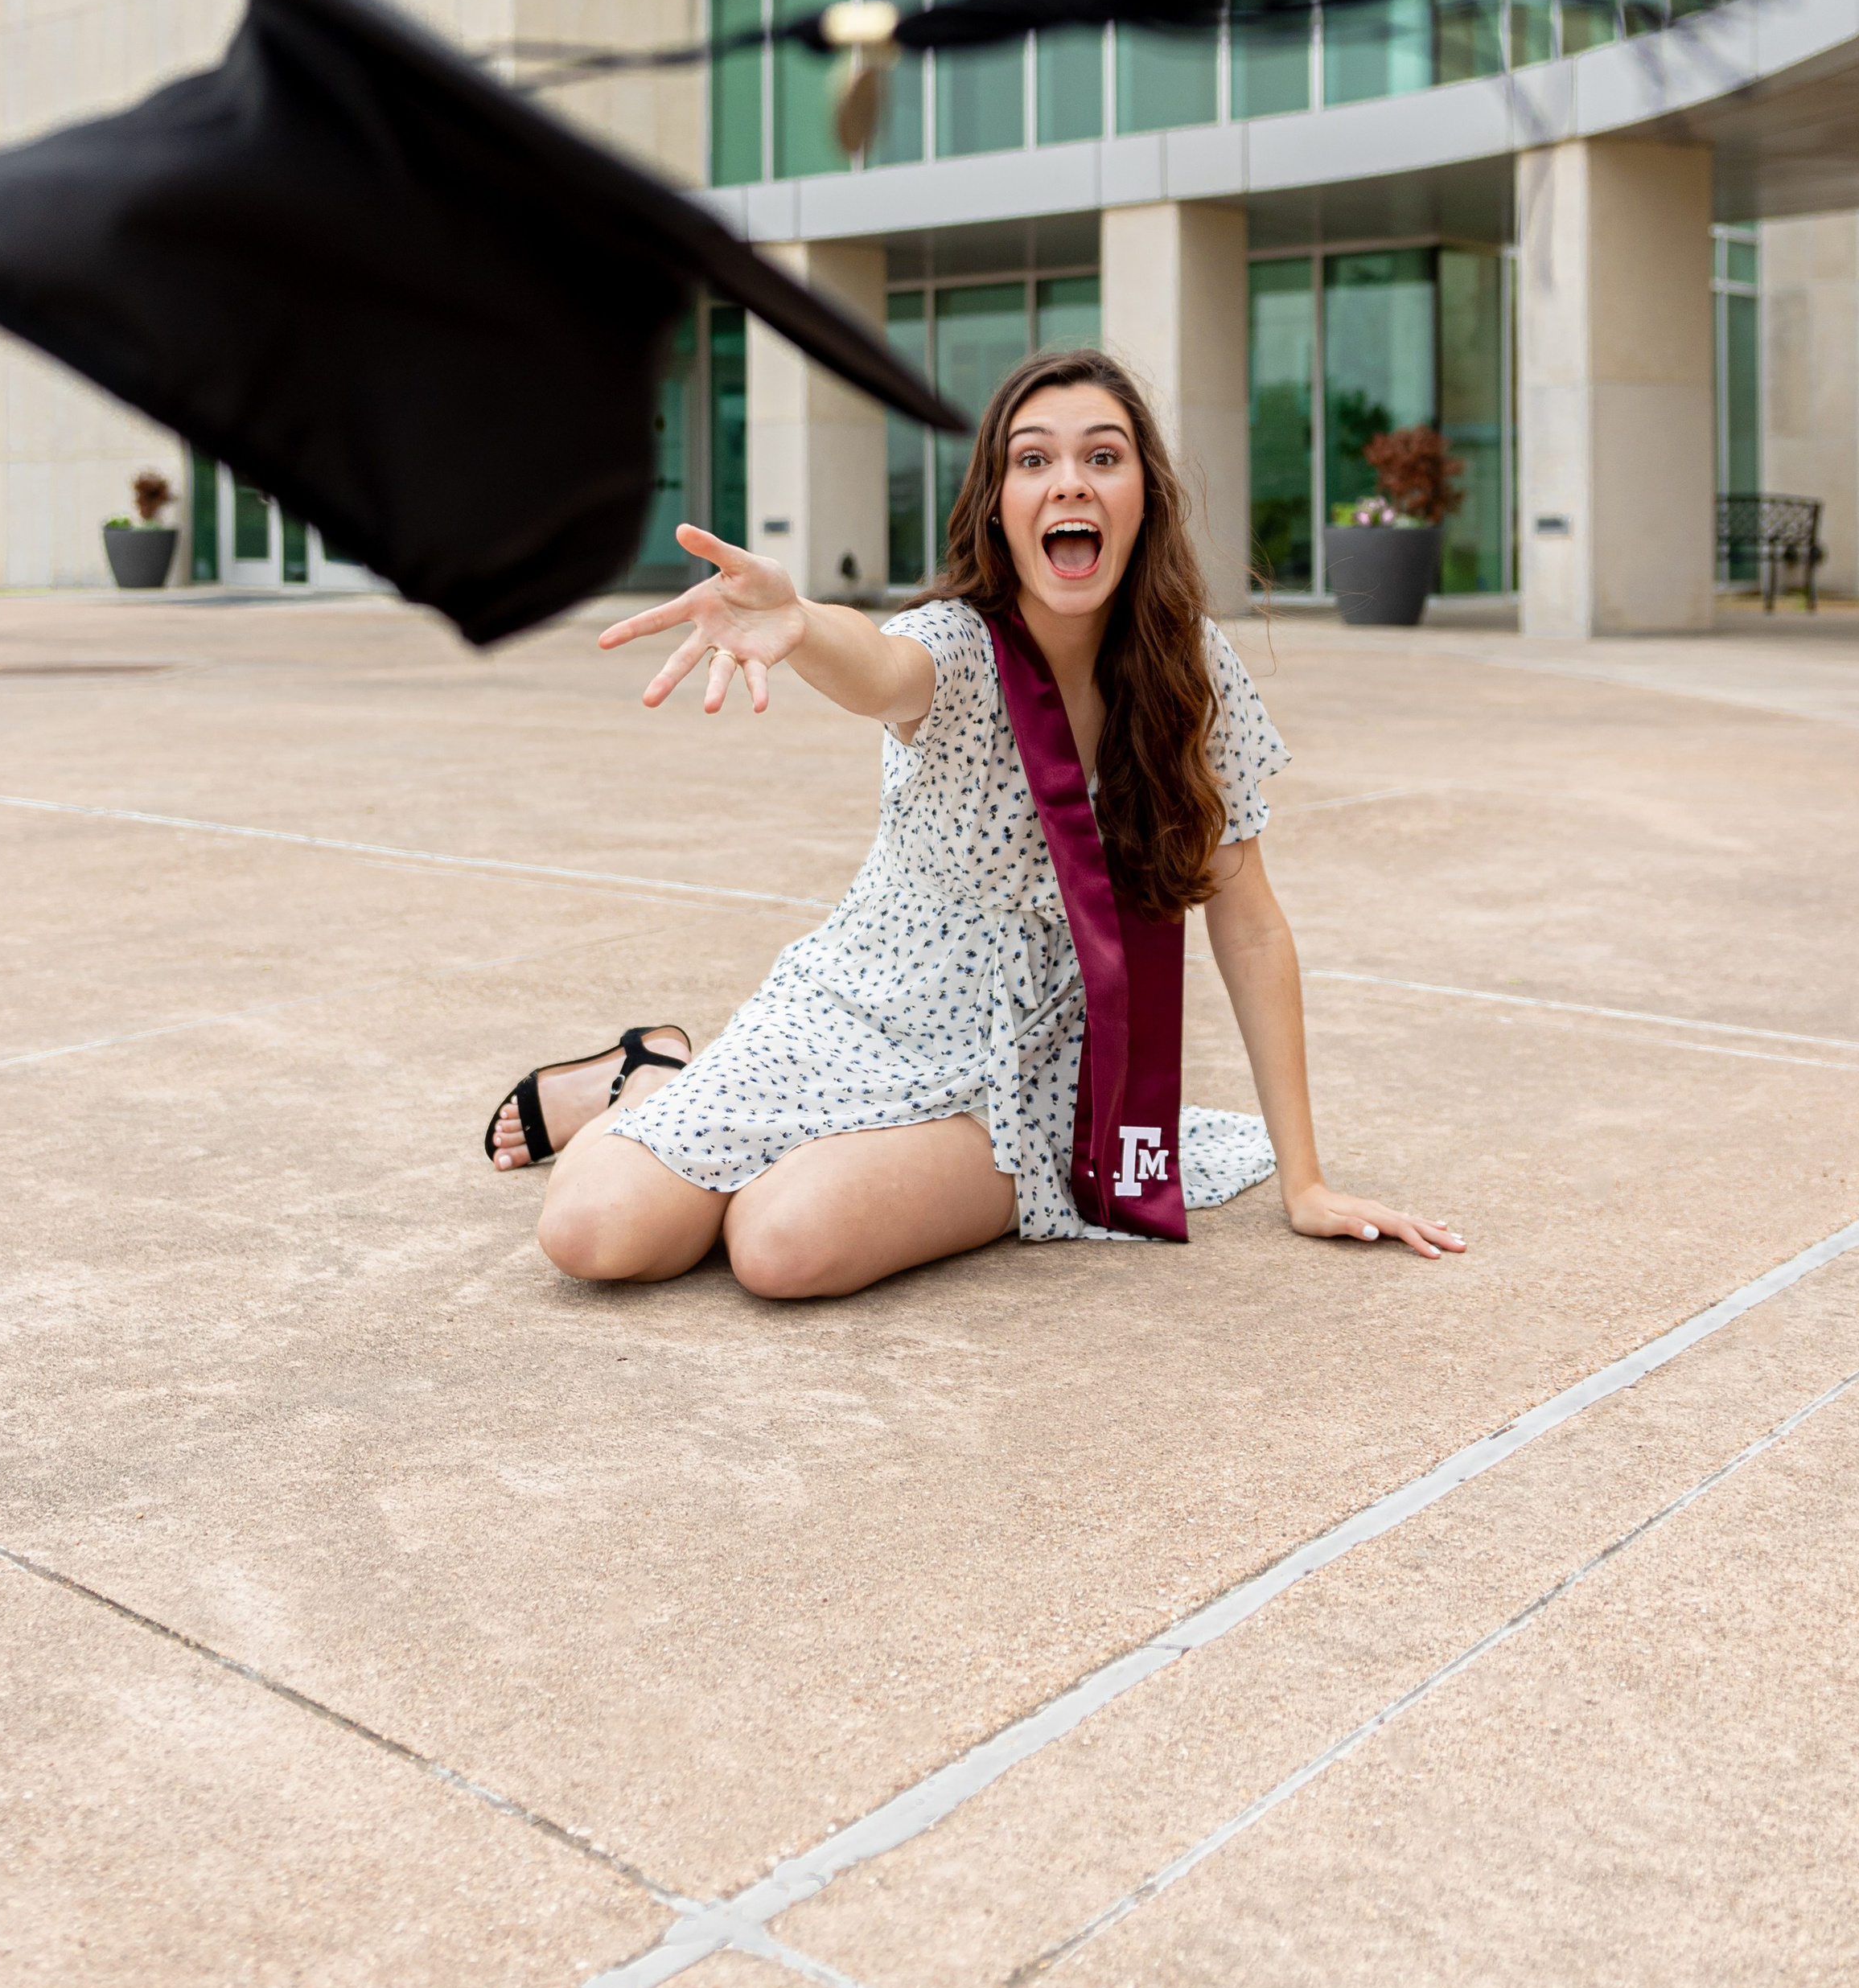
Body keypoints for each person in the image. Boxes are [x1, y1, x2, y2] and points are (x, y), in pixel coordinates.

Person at [483, 346, 1464, 1296]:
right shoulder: (953, 647)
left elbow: (1245, 915)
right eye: (1032, 459)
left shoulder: (1190, 671)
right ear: (997, 508)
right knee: (591, 1235)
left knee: (781, 1247)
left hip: (1025, 1065)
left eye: (1102, 456)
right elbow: (877, 666)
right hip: (856, 1010)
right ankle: (653, 1072)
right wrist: (802, 622)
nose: (1069, 482)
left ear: (1144, 499)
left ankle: (787, 1142)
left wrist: (1306, 1182)